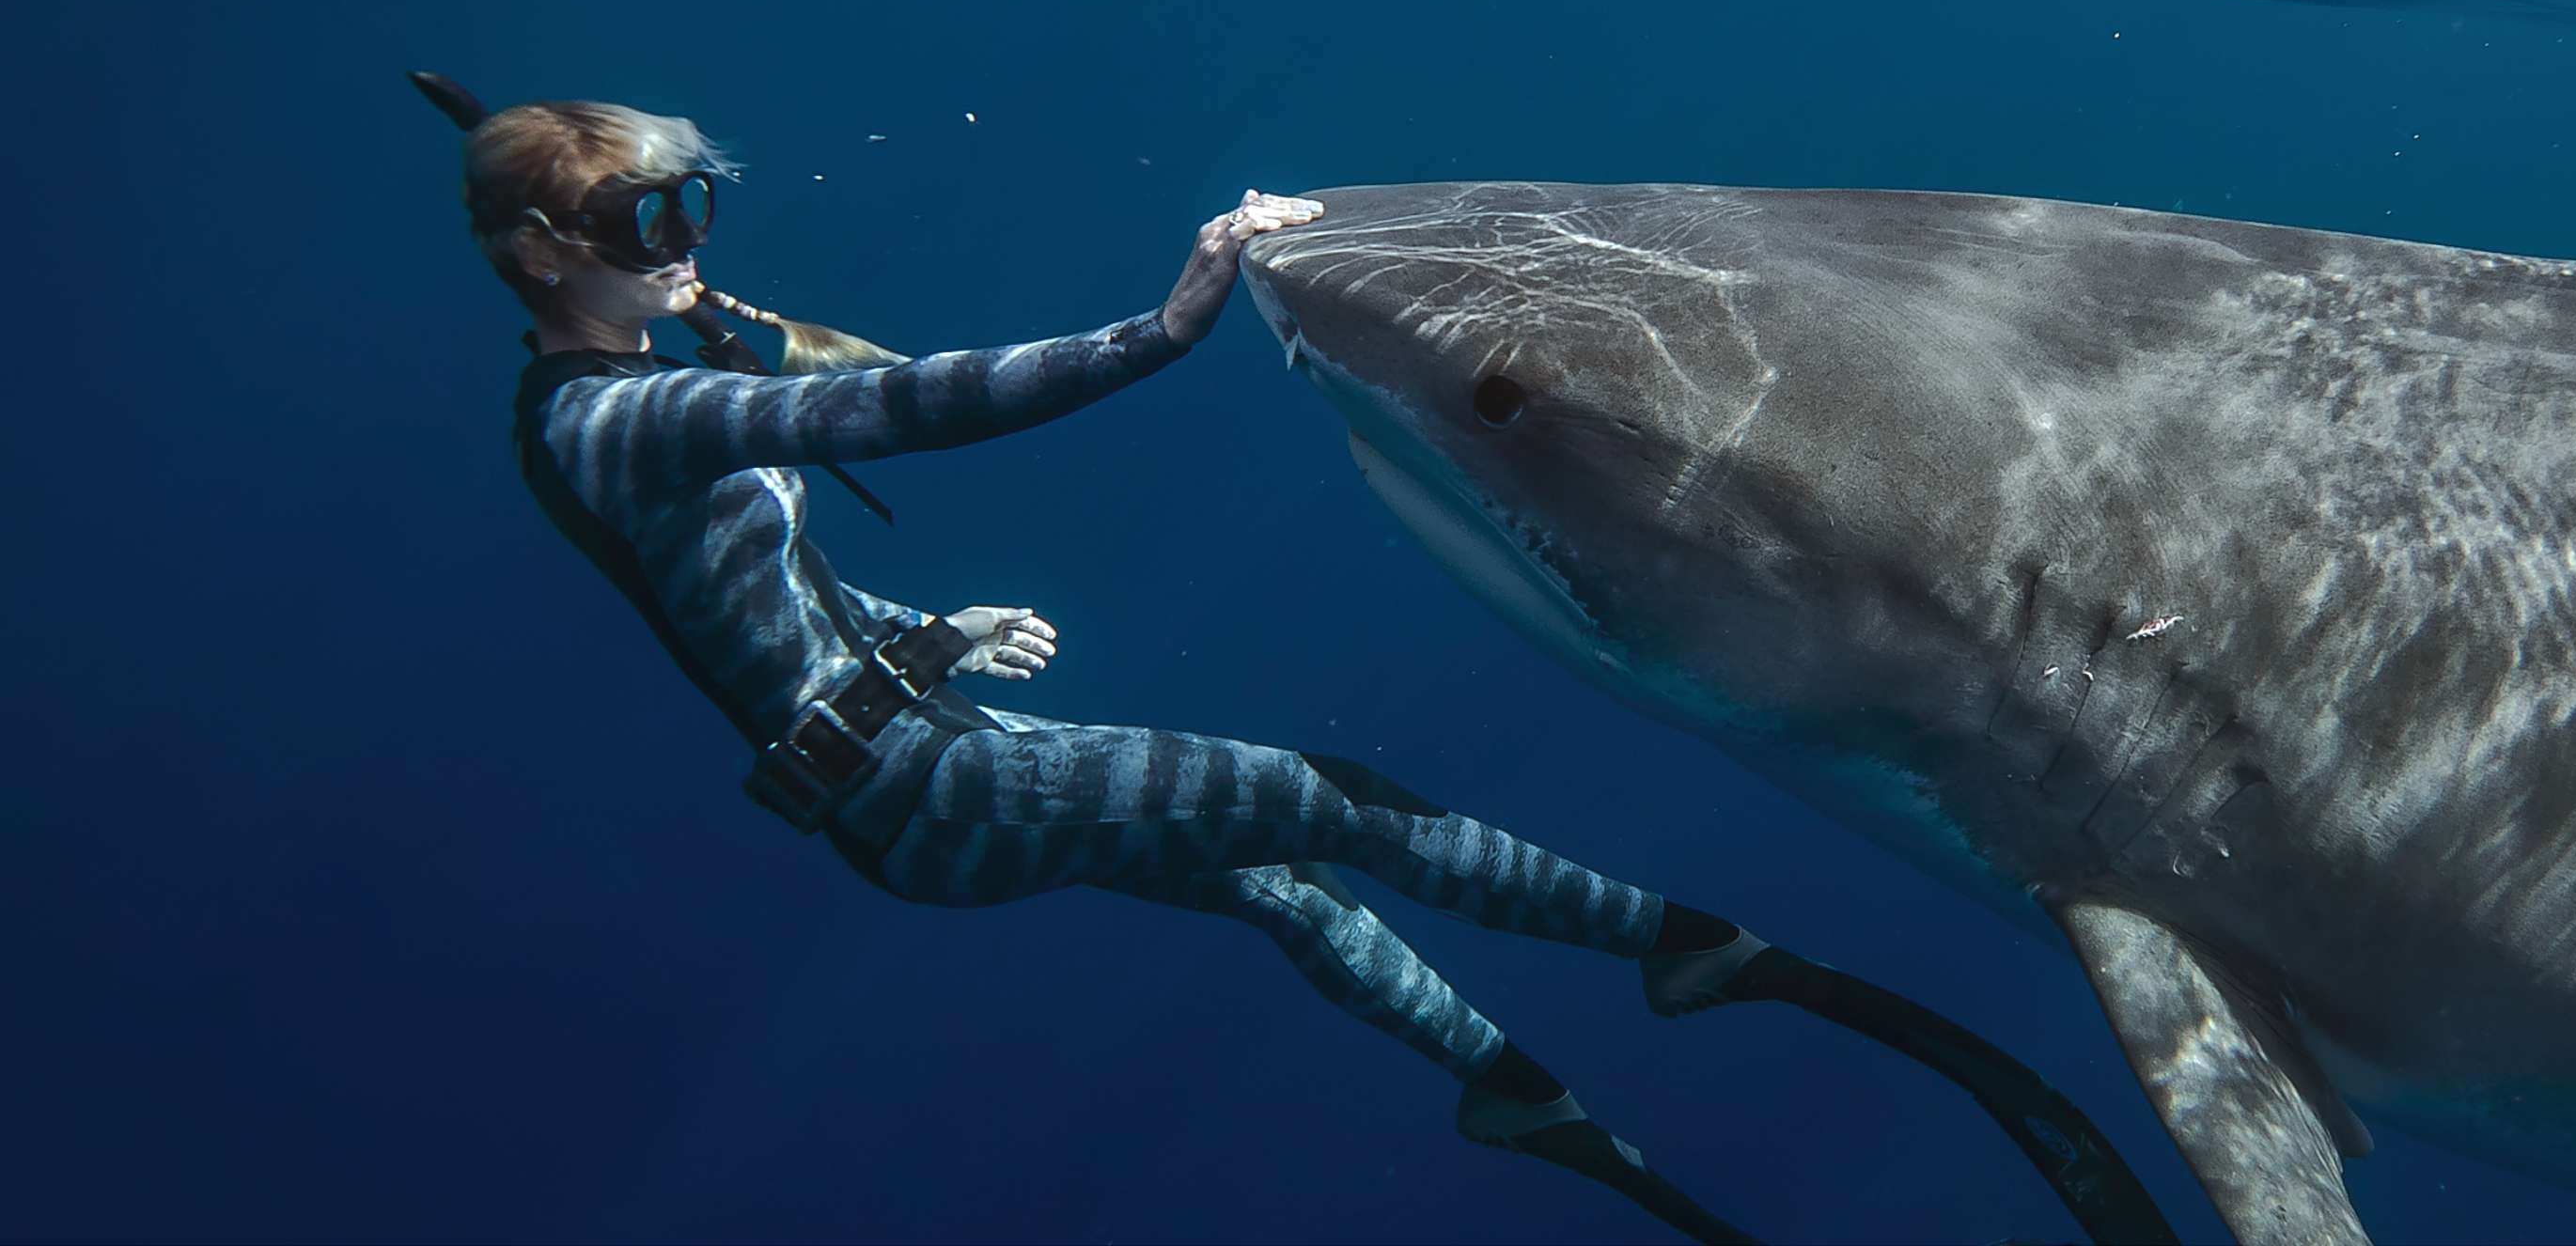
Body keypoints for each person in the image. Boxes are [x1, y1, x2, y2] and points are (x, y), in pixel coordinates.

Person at [443, 84, 1798, 1241]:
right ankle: (1680, 948)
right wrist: (1169, 325)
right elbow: (892, 405)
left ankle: (1514, 1094)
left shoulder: (593, 412)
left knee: (1288, 890)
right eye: (646, 222)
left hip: (913, 774)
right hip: (932, 791)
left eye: (693, 208)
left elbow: (752, 594)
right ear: (543, 255)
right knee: (1326, 797)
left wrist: (927, 638)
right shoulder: (625, 421)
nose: (684, 244)